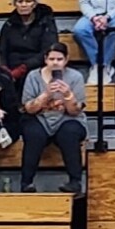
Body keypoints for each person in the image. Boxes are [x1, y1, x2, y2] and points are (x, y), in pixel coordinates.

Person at [18, 39, 85, 192]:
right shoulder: (33, 76)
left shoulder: (75, 77)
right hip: (40, 118)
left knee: (70, 133)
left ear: (66, 60)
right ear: (45, 59)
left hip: (67, 118)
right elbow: (29, 108)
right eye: (51, 59)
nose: (55, 63)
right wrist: (46, 95)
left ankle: (75, 182)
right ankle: (26, 182)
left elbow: (75, 111)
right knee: (33, 134)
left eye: (59, 59)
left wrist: (68, 95)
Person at [0, 0, 57, 137]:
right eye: (20, 1)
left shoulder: (46, 22)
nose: (24, 5)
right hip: (11, 68)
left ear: (34, 3)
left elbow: (47, 50)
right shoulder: (9, 24)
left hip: (35, 66)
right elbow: (2, 50)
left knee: (29, 77)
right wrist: (5, 70)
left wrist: (23, 68)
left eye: (28, 0)